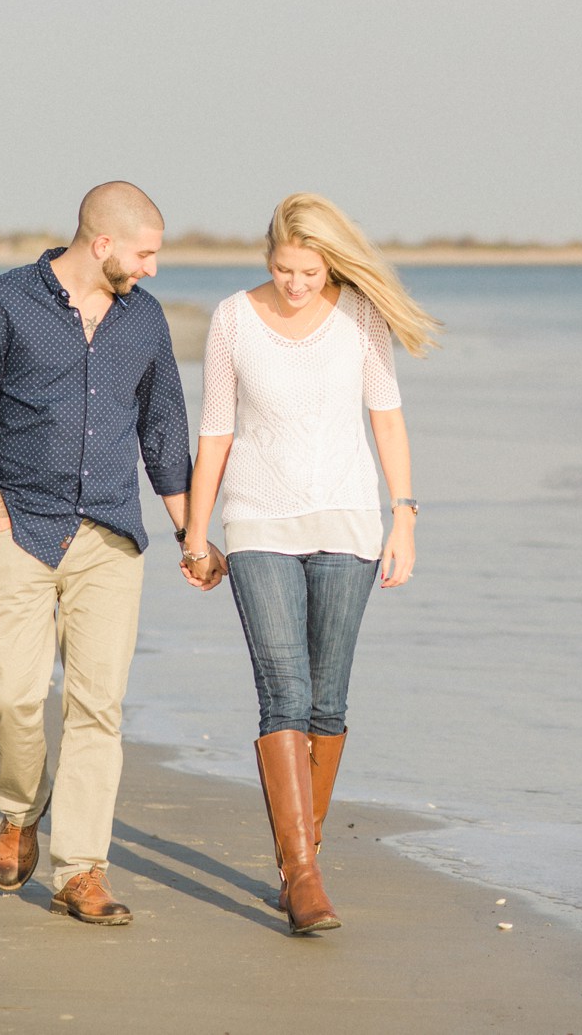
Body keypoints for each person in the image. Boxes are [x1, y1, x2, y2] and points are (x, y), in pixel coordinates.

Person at [180, 192, 439, 935]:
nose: (296, 282)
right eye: (285, 268)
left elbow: (386, 418)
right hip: (259, 522)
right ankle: (304, 878)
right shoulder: (232, 318)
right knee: (284, 694)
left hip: (350, 525)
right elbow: (217, 432)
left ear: (330, 261)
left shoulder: (360, 316)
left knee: (328, 703)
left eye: (310, 268)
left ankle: (302, 857)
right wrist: (196, 535)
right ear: (270, 259)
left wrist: (406, 518)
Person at [0, 181, 192, 926]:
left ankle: (81, 869)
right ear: (103, 242)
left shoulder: (144, 322)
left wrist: (191, 535)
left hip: (110, 537)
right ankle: (21, 808)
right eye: (145, 253)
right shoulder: (3, 302)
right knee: (7, 691)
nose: (152, 269)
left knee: (96, 707)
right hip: (20, 526)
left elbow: (165, 432)